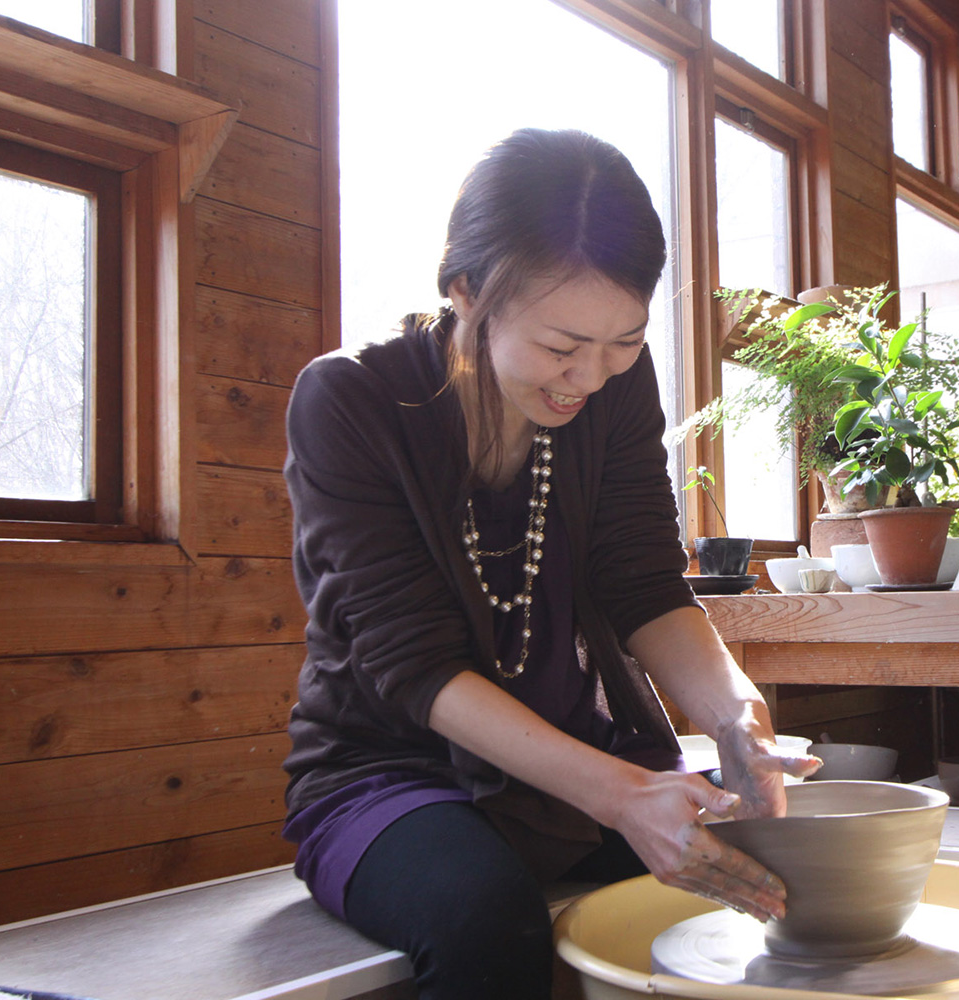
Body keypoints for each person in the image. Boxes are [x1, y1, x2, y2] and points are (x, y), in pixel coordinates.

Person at [280, 127, 818, 999]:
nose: (590, 377)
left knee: (755, 868)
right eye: (561, 346)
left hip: (578, 758)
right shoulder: (351, 398)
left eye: (624, 342)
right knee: (488, 924)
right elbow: (411, 666)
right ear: (466, 290)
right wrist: (620, 797)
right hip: (390, 772)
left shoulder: (612, 390)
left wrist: (734, 716)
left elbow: (643, 577)